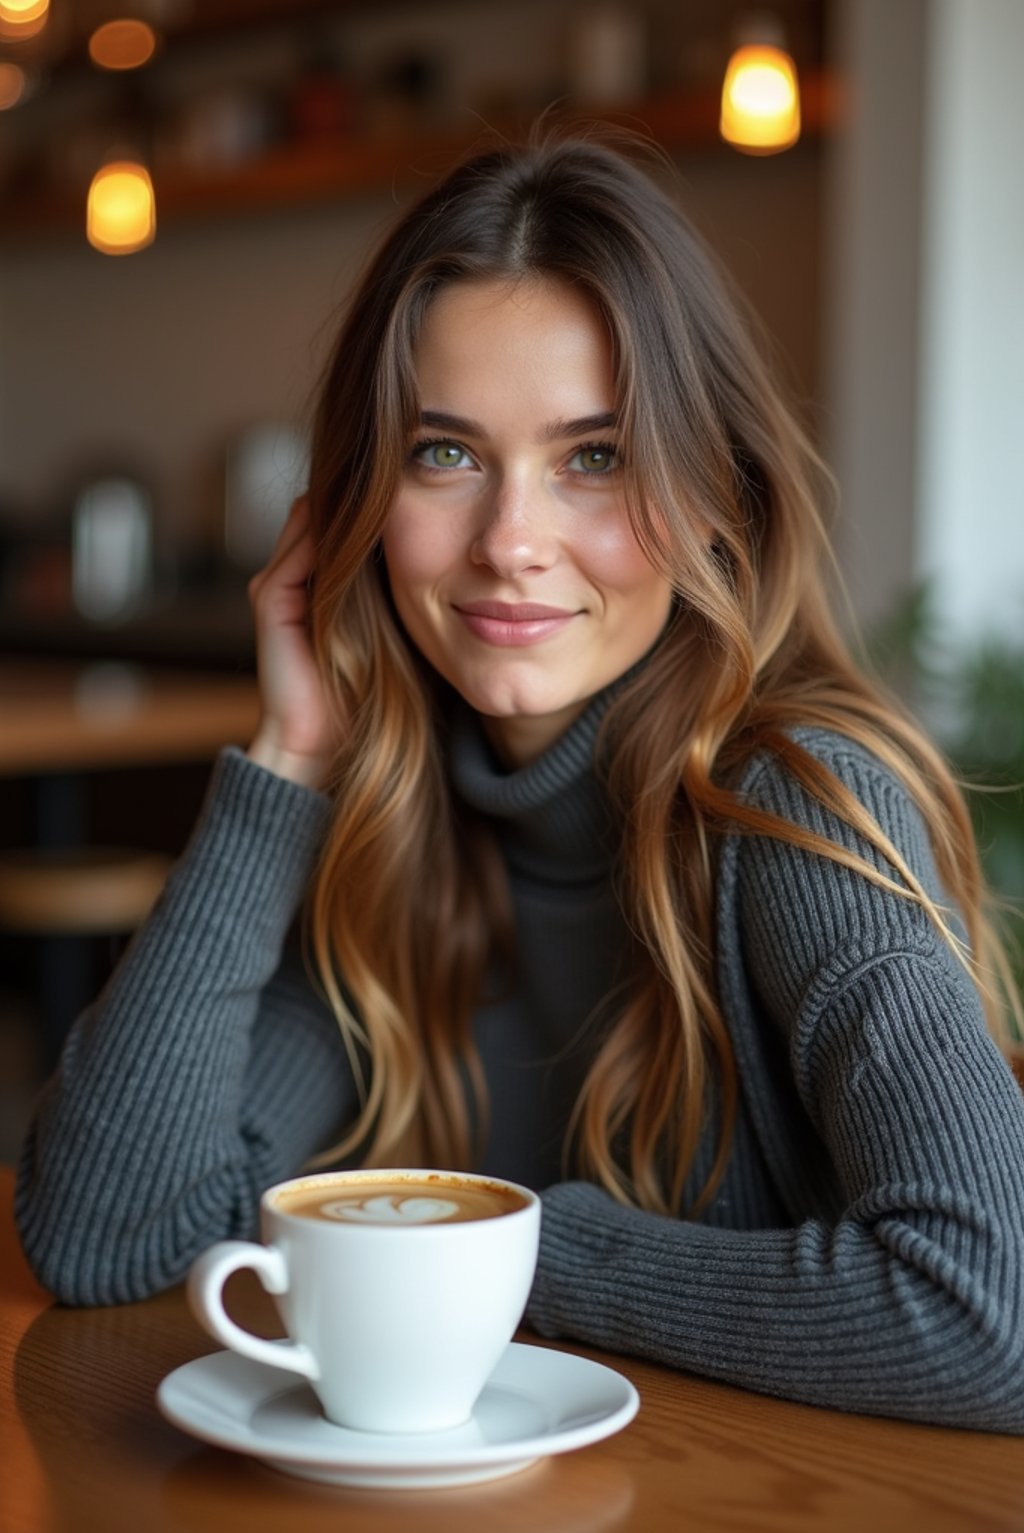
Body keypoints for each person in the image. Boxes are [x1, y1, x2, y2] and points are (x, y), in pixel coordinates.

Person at [16, 134, 1024, 1432]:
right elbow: (104, 1239)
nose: (509, 545)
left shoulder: (794, 811)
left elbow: (994, 1311)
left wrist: (512, 1250)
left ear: (713, 494)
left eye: (593, 457)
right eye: (446, 454)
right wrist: (290, 757)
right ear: (355, 508)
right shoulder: (389, 826)